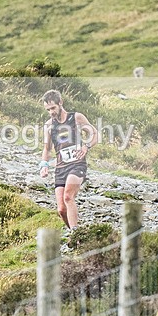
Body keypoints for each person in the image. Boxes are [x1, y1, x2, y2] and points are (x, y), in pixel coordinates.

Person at [39, 89, 98, 230]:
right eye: (48, 110)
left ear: (61, 103)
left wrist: (86, 147)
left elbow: (94, 134)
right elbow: (47, 149)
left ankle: (76, 233)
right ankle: (75, 234)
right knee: (61, 209)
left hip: (77, 165)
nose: (51, 112)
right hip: (60, 168)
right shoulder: (49, 125)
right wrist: (44, 164)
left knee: (68, 197)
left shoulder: (76, 118)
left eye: (53, 108)